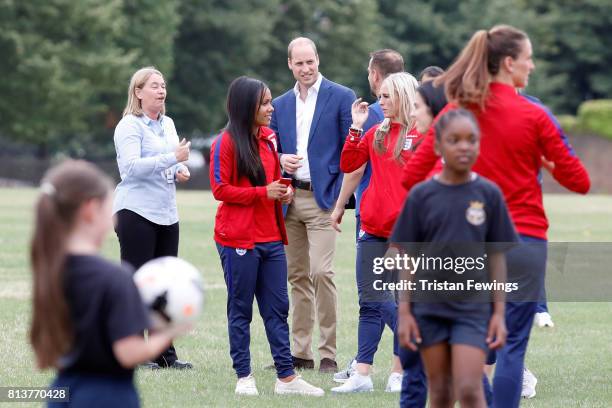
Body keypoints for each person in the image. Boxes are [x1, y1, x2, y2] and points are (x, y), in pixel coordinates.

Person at [401, 25, 590, 407]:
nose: (532, 66)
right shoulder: (535, 115)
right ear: (508, 63)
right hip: (525, 244)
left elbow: (411, 177)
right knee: (511, 350)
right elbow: (580, 180)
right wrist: (546, 162)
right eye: (528, 59)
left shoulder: (456, 111)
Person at [30, 160, 187, 408]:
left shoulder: (51, 270)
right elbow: (128, 353)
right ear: (90, 210)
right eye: (109, 206)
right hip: (107, 397)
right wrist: (170, 332)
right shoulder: (115, 278)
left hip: (61, 393)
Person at [210, 76, 324, 397]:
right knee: (241, 309)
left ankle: (286, 378)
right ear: (247, 106)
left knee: (277, 308)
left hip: (272, 238)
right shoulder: (226, 142)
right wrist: (264, 193)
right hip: (238, 239)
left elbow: (274, 180)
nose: (271, 108)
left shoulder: (270, 138)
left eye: (270, 101)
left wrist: (283, 193)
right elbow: (220, 189)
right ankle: (244, 377)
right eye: (264, 103)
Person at [393, 109, 516, 407]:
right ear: (438, 146)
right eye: (455, 140)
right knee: (441, 392)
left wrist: (498, 313)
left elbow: (497, 258)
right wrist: (406, 312)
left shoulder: (489, 194)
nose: (464, 146)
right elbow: (407, 257)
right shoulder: (422, 196)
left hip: (472, 310)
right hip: (428, 308)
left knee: (469, 388)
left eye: (471, 140)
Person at [331, 72, 422, 393]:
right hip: (372, 229)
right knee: (370, 301)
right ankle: (363, 375)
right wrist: (355, 127)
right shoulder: (375, 133)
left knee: (400, 300)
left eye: (385, 96)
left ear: (402, 96)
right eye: (379, 96)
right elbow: (348, 164)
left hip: (407, 234)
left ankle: (402, 372)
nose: (379, 102)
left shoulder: (421, 135)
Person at [270, 37, 356, 373]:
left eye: (311, 61)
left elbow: (351, 152)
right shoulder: (278, 104)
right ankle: (301, 353)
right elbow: (269, 147)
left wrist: (339, 198)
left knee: (322, 273)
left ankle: (328, 354)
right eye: (299, 63)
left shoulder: (341, 96)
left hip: (324, 201)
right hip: (289, 201)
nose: (306, 69)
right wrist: (280, 158)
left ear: (318, 60)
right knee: (298, 277)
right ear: (289, 64)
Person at [113, 66, 192, 369]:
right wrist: (173, 159)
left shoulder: (167, 123)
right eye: (154, 86)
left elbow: (169, 163)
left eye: (163, 86)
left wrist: (178, 170)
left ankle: (163, 354)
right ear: (138, 92)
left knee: (164, 286)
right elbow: (130, 168)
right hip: (136, 212)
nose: (161, 91)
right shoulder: (129, 126)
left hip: (166, 213)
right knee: (137, 283)